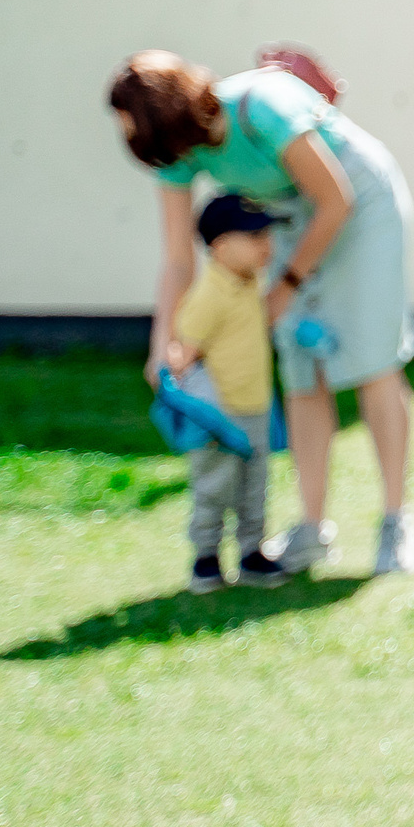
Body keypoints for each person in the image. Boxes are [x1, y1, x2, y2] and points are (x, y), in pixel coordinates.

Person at [110, 49, 414, 576]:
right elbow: (179, 261)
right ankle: (312, 529)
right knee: (301, 371)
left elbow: (336, 199)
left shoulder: (262, 106)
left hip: (359, 203)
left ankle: (396, 522)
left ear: (165, 116)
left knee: (373, 362)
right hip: (289, 217)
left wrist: (286, 286)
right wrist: (164, 341)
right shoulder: (179, 151)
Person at [168, 192, 290, 595]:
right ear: (219, 246)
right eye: (254, 237)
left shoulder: (250, 282)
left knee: (255, 484)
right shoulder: (210, 294)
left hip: (255, 407)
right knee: (214, 486)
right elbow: (183, 353)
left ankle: (252, 551)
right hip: (220, 417)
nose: (266, 246)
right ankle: (205, 556)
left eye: (268, 236)